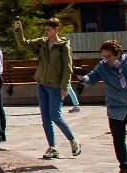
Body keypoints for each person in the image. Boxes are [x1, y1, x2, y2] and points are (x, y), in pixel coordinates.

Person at [75, 39, 127, 173]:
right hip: (115, 107)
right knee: (118, 139)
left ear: (117, 54)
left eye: (109, 56)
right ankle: (124, 168)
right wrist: (83, 78)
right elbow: (92, 79)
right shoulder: (102, 66)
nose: (106, 59)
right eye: (104, 56)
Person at [14, 17, 81, 159]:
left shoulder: (63, 47)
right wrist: (19, 30)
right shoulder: (41, 43)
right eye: (45, 29)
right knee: (45, 118)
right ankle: (52, 147)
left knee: (55, 116)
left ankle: (73, 141)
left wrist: (65, 86)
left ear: (56, 29)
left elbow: (67, 68)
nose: (46, 32)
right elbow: (23, 44)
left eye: (49, 29)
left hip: (55, 86)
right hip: (42, 84)